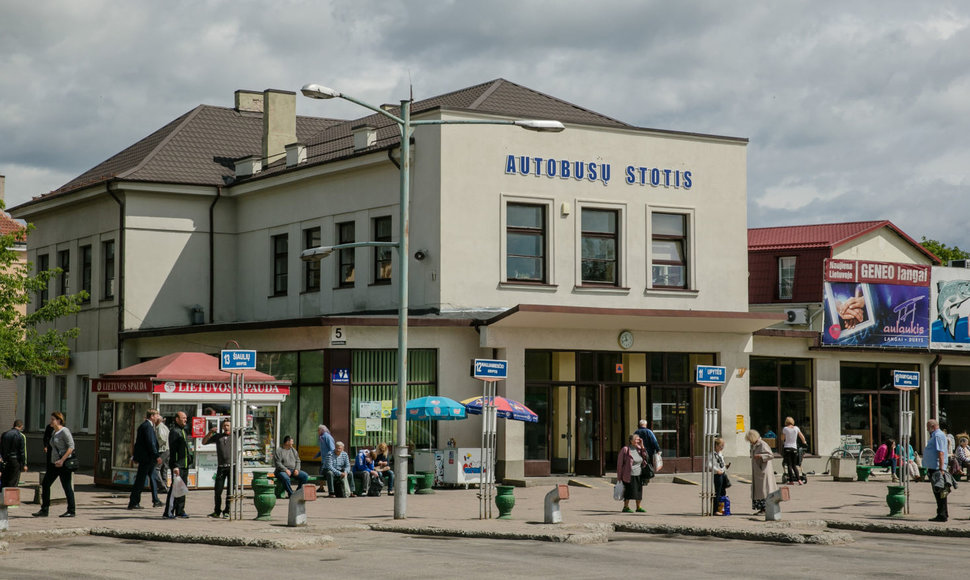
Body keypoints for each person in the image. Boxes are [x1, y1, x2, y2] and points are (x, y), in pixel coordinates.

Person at [33, 411, 76, 518]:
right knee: (45, 484)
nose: (50, 421)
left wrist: (62, 460)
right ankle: (44, 509)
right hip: (54, 464)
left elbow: (71, 447)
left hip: (64, 464)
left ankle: (71, 510)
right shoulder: (54, 432)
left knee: (66, 486)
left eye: (53, 419)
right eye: (51, 419)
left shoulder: (65, 431)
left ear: (59, 420)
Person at [128, 409, 162, 510]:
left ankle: (156, 500)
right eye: (157, 415)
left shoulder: (147, 426)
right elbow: (150, 443)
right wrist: (156, 455)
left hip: (147, 458)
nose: (158, 417)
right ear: (152, 416)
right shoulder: (147, 426)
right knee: (140, 480)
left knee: (152, 477)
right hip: (146, 458)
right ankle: (134, 502)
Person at [164, 411, 191, 519]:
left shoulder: (183, 431)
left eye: (186, 418)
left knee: (182, 488)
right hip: (178, 465)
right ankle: (168, 512)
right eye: (183, 418)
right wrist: (175, 465)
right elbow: (173, 450)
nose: (185, 420)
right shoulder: (175, 432)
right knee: (174, 489)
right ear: (177, 419)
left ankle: (180, 510)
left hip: (184, 464)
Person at [203, 419, 233, 518]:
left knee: (230, 490)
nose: (226, 427)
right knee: (218, 490)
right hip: (221, 467)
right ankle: (217, 511)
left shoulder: (235, 435)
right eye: (224, 426)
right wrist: (210, 432)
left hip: (232, 466)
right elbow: (204, 442)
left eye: (228, 425)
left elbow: (243, 427)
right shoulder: (218, 436)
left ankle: (227, 510)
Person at [925, 418, 952, 522]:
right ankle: (943, 513)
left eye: (928, 427)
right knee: (941, 492)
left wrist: (941, 468)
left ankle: (941, 514)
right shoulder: (936, 435)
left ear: (933, 426)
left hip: (937, 468)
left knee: (939, 491)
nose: (927, 429)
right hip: (935, 467)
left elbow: (941, 452)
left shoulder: (937, 435)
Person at [616, 433, 648, 513]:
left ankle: (638, 507)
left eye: (639, 439)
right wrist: (619, 477)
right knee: (629, 491)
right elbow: (619, 464)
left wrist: (642, 446)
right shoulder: (625, 449)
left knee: (639, 491)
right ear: (631, 441)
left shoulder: (639, 448)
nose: (638, 440)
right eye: (636, 439)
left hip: (639, 473)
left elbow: (646, 457)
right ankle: (626, 507)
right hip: (629, 474)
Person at [747, 429, 777, 515]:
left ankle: (765, 509)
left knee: (764, 491)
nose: (750, 442)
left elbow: (771, 455)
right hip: (758, 471)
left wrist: (760, 456)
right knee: (760, 491)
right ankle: (761, 509)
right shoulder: (755, 445)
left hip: (763, 471)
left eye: (750, 440)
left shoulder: (763, 444)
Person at [1, 419, 28, 489]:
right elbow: (22, 451)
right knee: (13, 481)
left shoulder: (5, 434)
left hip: (5, 460)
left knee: (5, 480)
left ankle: (3, 497)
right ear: (21, 426)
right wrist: (24, 464)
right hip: (15, 461)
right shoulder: (21, 436)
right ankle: (11, 498)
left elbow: (1, 448)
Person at [781, 417, 808, 485]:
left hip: (787, 448)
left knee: (789, 465)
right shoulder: (796, 428)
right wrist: (804, 443)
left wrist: (783, 441)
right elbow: (802, 437)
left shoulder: (785, 429)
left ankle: (791, 481)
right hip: (794, 448)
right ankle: (799, 480)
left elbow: (782, 438)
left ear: (786, 422)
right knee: (794, 465)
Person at [711, 437, 730, 515]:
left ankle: (721, 509)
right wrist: (716, 470)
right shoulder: (712, 454)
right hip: (717, 475)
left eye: (723, 445)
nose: (722, 447)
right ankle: (715, 510)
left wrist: (725, 466)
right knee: (717, 492)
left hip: (723, 473)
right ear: (716, 445)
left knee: (723, 492)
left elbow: (721, 463)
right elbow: (709, 465)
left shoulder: (720, 454)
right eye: (721, 445)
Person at [313, 425, 335, 493]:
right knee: (321, 472)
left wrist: (330, 458)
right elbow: (322, 450)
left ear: (322, 430)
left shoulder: (327, 437)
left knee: (322, 472)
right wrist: (317, 455)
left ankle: (323, 487)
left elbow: (332, 448)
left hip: (327, 460)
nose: (318, 432)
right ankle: (321, 487)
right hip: (324, 459)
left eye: (318, 430)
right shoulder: (322, 437)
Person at [155, 411, 170, 493]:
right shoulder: (163, 427)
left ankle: (162, 486)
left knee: (156, 469)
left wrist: (156, 444)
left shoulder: (160, 427)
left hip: (163, 450)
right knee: (164, 469)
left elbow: (162, 439)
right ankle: (164, 486)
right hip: (167, 449)